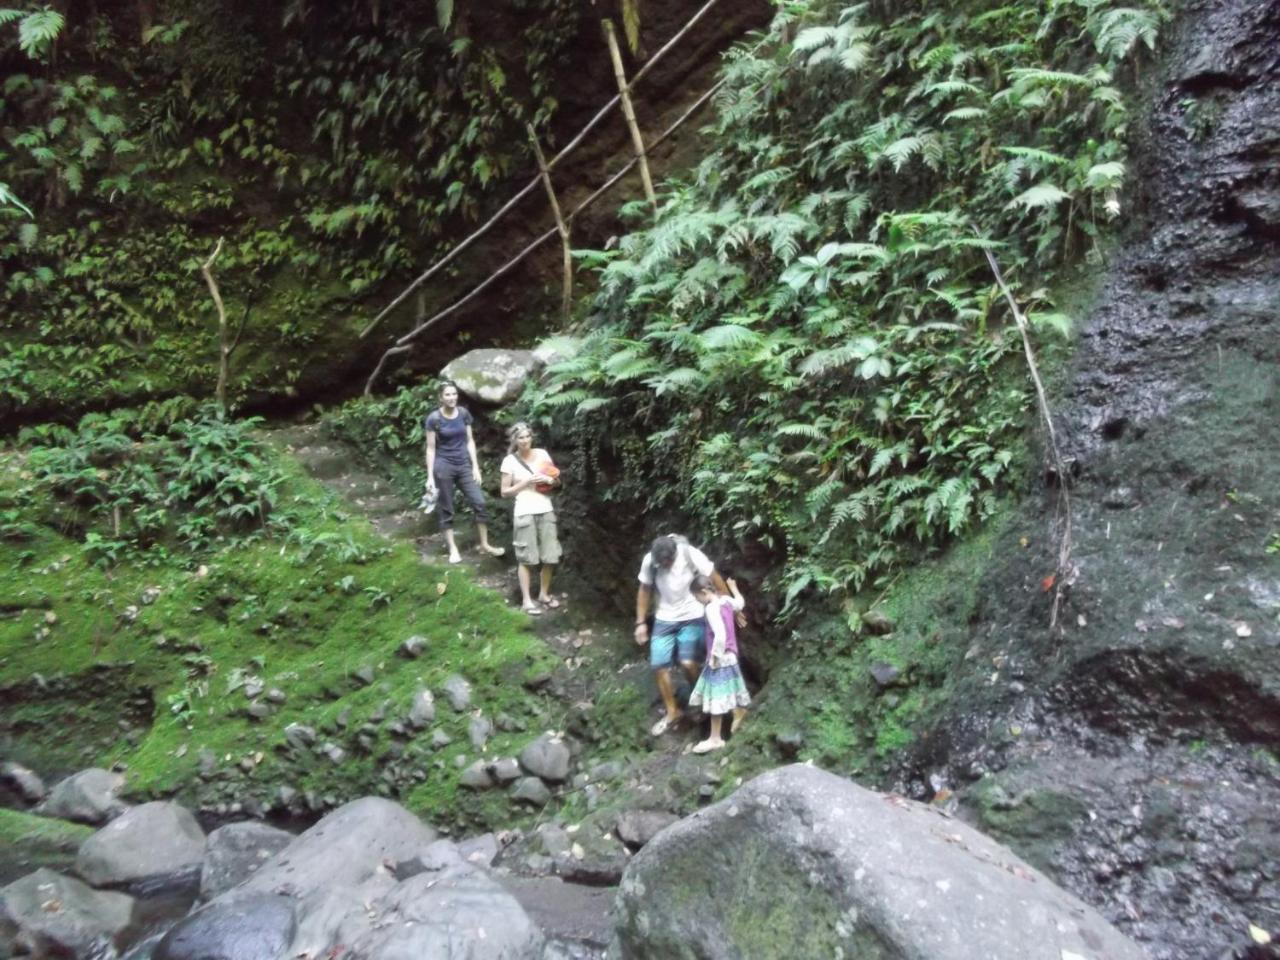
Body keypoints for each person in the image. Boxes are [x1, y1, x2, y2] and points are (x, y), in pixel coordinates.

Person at [634, 534, 733, 736]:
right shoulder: (650, 562)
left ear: (674, 555)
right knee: (659, 665)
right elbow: (644, 589)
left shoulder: (690, 555)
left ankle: (702, 697)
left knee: (687, 662)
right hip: (664, 617)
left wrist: (728, 606)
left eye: (667, 562)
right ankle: (672, 711)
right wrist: (640, 622)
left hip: (692, 614)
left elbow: (714, 577)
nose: (665, 565)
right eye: (661, 563)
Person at [424, 382, 505, 564]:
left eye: (454, 394)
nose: (452, 397)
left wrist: (475, 466)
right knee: (447, 508)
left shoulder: (463, 414)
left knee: (480, 502)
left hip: (464, 465)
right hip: (443, 466)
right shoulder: (434, 419)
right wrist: (430, 476)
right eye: (447, 395)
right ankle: (453, 548)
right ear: (440, 397)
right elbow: (430, 449)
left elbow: (470, 441)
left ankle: (485, 544)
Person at [499, 422, 562, 615]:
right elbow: (504, 492)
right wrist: (525, 482)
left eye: (527, 437)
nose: (525, 441)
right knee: (526, 558)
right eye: (521, 438)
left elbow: (556, 480)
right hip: (524, 510)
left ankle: (543, 594)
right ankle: (527, 600)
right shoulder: (509, 461)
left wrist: (550, 481)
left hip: (545, 508)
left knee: (551, 555)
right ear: (515, 440)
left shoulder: (542, 454)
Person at [687, 574, 750, 753]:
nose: (698, 601)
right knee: (728, 691)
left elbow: (720, 635)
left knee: (716, 698)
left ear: (704, 592)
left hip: (720, 659)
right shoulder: (726, 600)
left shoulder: (711, 608)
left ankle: (715, 738)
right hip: (731, 655)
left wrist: (714, 657)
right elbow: (741, 603)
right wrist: (734, 588)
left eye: (697, 597)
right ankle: (738, 711)